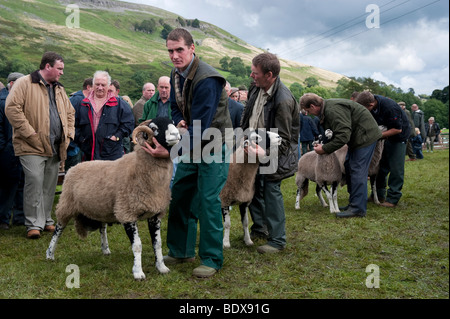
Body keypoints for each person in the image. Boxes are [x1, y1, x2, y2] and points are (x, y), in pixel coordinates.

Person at [161, 28, 232, 278]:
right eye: (170, 50)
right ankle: (181, 250)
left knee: (208, 199)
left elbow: (202, 126)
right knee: (180, 192)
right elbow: (175, 107)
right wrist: (180, 121)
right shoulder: (176, 74)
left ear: (192, 48)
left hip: (213, 142)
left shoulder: (208, 78)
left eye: (179, 49)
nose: (174, 55)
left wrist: (169, 150)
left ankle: (212, 258)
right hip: (194, 139)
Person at [5, 52, 75, 239]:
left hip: (55, 145)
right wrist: (28, 132)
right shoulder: (25, 83)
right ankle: (33, 224)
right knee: (34, 181)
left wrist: (68, 133)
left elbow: (70, 112)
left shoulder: (59, 88)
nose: (61, 73)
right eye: (59, 68)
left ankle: (46, 221)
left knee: (49, 185)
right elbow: (12, 108)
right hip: (31, 145)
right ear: (47, 67)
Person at [240, 52, 299, 253]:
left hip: (273, 151)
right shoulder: (257, 87)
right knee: (252, 186)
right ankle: (260, 227)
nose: (251, 76)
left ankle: (277, 240)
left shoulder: (283, 99)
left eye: (255, 73)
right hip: (253, 145)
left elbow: (284, 138)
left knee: (272, 191)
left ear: (270, 74)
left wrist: (263, 152)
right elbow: (248, 114)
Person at [300, 93, 382, 218]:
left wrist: (325, 149)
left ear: (312, 106)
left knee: (358, 170)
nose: (309, 114)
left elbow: (343, 135)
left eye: (308, 110)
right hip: (358, 137)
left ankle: (358, 209)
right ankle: (354, 203)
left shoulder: (332, 110)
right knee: (349, 166)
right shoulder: (327, 108)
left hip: (365, 136)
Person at [356, 91, 410, 208]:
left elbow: (397, 129)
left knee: (396, 168)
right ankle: (379, 194)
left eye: (364, 108)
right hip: (383, 137)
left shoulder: (390, 107)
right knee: (380, 166)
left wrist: (376, 135)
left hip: (398, 138)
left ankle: (393, 198)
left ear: (370, 105)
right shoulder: (372, 105)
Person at [75, 71, 134, 161]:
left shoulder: (120, 104)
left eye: (103, 85)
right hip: (88, 154)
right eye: (97, 84)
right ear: (93, 85)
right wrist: (81, 139)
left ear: (109, 85)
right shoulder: (83, 104)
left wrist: (116, 137)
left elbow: (129, 124)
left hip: (112, 154)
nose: (100, 88)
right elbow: (74, 124)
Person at [0, 72, 25, 230]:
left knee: (21, 183)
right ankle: (3, 218)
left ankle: (19, 217)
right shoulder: (3, 102)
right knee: (7, 185)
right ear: (12, 84)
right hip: (7, 152)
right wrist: (4, 149)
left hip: (20, 150)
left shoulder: (18, 101)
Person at [67, 78, 93, 171]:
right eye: (95, 87)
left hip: (81, 145)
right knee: (73, 173)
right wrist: (81, 139)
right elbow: (71, 122)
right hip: (74, 145)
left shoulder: (85, 100)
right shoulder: (77, 100)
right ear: (89, 87)